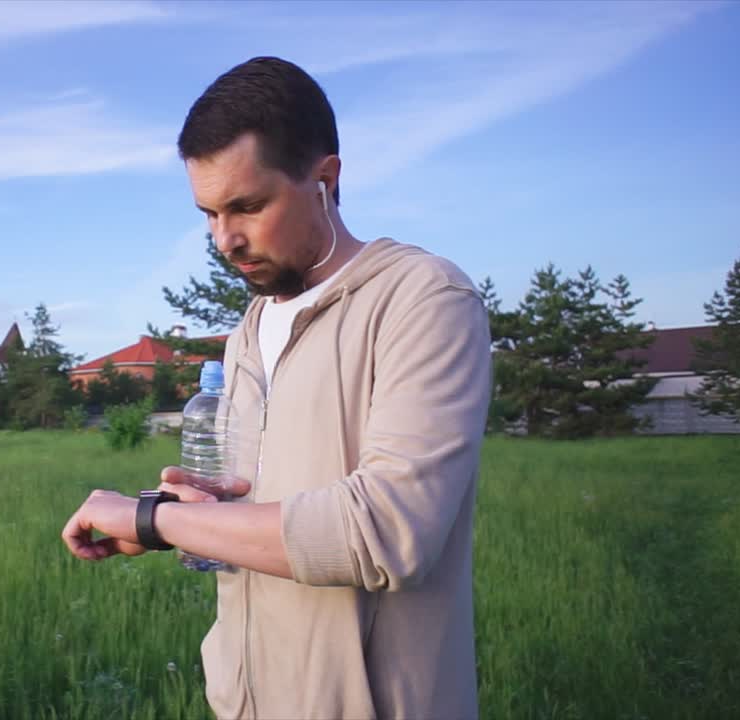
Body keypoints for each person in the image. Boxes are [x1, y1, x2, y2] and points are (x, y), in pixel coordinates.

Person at [61, 56, 491, 720]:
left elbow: (389, 530)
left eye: (247, 206)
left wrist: (159, 519)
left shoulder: (424, 297)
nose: (223, 239)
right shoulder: (247, 332)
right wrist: (194, 512)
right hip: (247, 701)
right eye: (207, 214)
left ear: (325, 179)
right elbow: (263, 504)